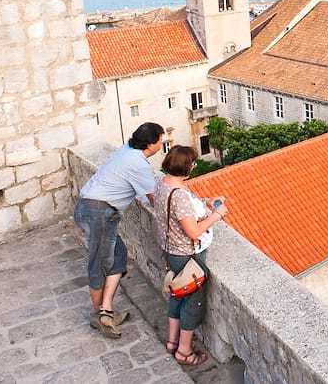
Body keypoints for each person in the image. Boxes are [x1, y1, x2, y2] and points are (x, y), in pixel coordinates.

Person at [74, 122, 165, 338]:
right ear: (150, 145)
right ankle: (101, 316)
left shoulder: (127, 150)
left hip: (90, 207)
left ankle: (106, 310)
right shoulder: (139, 164)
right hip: (100, 212)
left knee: (118, 255)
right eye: (160, 140)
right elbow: (154, 200)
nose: (162, 143)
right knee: (99, 264)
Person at [154, 145, 227, 366]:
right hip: (187, 255)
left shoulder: (162, 184)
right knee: (193, 302)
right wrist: (216, 215)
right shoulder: (179, 196)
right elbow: (194, 232)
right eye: (193, 163)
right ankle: (184, 351)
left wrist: (204, 203)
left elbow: (180, 212)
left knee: (177, 295)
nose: (194, 166)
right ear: (186, 167)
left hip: (170, 251)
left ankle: (172, 342)